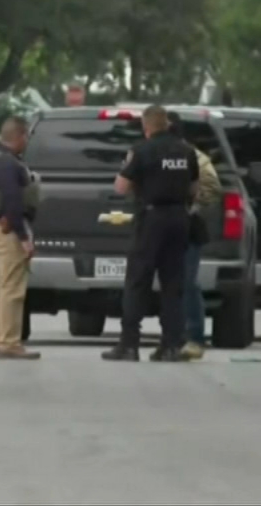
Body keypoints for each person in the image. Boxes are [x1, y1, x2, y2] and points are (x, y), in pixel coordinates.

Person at [102, 105, 199, 363]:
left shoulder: (142, 150)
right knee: (173, 284)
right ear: (167, 124)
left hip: (151, 219)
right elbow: (194, 188)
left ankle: (129, 345)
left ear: (146, 127)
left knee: (137, 281)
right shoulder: (187, 151)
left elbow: (121, 187)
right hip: (179, 219)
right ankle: (171, 345)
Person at [0, 117, 41, 360]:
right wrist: (23, 236)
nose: (27, 141)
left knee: (2, 286)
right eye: (26, 136)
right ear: (20, 136)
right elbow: (13, 201)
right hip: (10, 229)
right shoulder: (8, 164)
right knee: (13, 289)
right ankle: (9, 343)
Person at [167, 113, 222, 360]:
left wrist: (190, 206)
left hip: (186, 228)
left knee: (187, 282)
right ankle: (171, 337)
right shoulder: (149, 153)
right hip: (156, 227)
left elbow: (211, 187)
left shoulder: (194, 157)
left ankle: (194, 337)